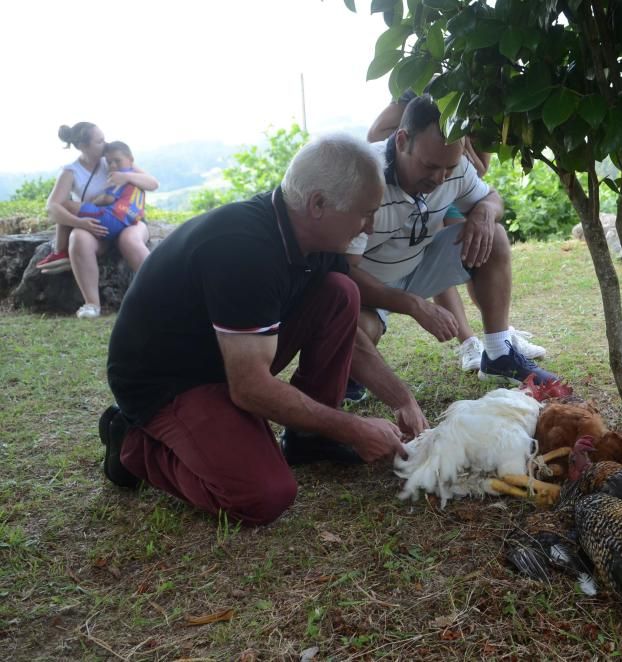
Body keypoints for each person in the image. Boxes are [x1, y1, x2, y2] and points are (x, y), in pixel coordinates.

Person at [102, 133, 426, 526]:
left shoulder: (316, 238)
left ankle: (310, 441)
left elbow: (352, 339)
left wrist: (402, 398)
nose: (370, 228)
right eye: (364, 213)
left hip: (227, 355)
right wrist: (355, 428)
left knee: (341, 293)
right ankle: (132, 445)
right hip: (167, 380)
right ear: (319, 204)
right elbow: (250, 388)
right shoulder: (246, 250)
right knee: (263, 495)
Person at [349, 94, 560, 397]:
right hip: (364, 289)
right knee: (356, 330)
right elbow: (342, 269)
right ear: (401, 140)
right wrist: (414, 305)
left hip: (415, 266)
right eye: (429, 166)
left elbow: (491, 197)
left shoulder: (454, 167)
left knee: (494, 236)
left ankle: (499, 353)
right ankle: (348, 371)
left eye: (448, 168)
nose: (439, 178)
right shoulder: (365, 175)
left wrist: (485, 211)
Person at [39, 122, 159, 319]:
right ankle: (92, 304)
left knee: (129, 240)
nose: (106, 144)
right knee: (79, 237)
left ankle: (161, 290)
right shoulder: (70, 171)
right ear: (82, 146)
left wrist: (126, 178)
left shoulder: (113, 159)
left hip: (129, 220)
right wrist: (79, 223)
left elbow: (152, 183)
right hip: (96, 223)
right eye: (99, 141)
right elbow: (53, 207)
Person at [61, 141, 145, 244]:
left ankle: (60, 250)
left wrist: (92, 201)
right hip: (129, 221)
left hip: (112, 220)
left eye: (117, 161)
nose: (113, 165)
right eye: (109, 162)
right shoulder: (137, 177)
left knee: (64, 205)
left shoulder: (119, 176)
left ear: (130, 159)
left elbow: (107, 198)